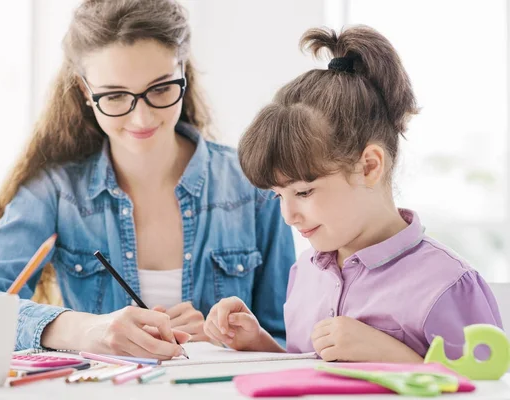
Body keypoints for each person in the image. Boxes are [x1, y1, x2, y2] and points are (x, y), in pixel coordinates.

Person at [0, 0, 294, 360]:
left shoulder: (252, 185)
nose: (141, 119)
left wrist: (231, 339)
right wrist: (88, 329)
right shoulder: (56, 192)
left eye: (160, 90)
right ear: (84, 91)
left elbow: (287, 341)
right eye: (115, 95)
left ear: (183, 72)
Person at [204, 25, 503, 362]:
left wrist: (394, 356)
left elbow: (487, 391)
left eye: (303, 191)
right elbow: (307, 376)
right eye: (278, 195)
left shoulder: (449, 285)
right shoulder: (305, 274)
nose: (288, 216)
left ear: (369, 166)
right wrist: (256, 343)